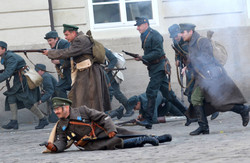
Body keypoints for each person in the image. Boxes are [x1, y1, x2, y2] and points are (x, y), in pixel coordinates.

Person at [179, 23, 249, 135]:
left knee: (220, 103)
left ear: (190, 32)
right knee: (196, 98)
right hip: (202, 78)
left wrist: (191, 61)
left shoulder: (202, 41)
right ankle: (203, 127)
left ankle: (242, 109)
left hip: (213, 77)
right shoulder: (191, 43)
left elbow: (207, 58)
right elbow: (195, 60)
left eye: (183, 32)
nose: (181, 34)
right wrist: (187, 67)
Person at [41, 97, 172, 153]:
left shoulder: (83, 110)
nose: (56, 112)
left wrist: (110, 129)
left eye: (58, 109)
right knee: (115, 143)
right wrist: (54, 147)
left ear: (66, 107)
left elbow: (103, 117)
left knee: (127, 133)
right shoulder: (61, 125)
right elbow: (62, 141)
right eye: (55, 110)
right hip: (92, 143)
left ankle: (157, 138)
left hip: (103, 130)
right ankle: (144, 140)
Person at [134, 17, 188, 129]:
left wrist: (143, 57)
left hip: (160, 67)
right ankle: (189, 114)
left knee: (151, 91)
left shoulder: (155, 35)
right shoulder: (143, 35)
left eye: (139, 25)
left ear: (145, 24)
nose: (137, 28)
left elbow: (158, 53)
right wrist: (142, 58)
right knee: (169, 95)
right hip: (154, 68)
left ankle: (148, 120)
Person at [42, 24, 111, 112]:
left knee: (90, 99)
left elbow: (68, 52)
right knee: (82, 98)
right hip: (86, 72)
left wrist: (50, 53)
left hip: (90, 72)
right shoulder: (80, 39)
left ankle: (94, 120)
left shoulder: (80, 40)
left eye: (67, 35)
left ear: (74, 33)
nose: (65, 38)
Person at [168, 24, 219, 121]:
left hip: (198, 68)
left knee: (195, 92)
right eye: (173, 36)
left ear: (181, 32)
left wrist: (187, 66)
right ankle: (199, 116)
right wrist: (177, 59)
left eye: (176, 35)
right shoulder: (176, 42)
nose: (175, 38)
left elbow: (196, 55)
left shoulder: (190, 40)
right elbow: (177, 52)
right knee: (191, 93)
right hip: (189, 69)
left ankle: (209, 111)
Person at [0, 41, 49, 130]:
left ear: (4, 49)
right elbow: (10, 70)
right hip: (19, 79)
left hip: (24, 81)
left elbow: (8, 73)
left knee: (27, 102)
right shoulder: (6, 56)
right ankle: (14, 122)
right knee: (11, 97)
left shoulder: (10, 57)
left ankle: (43, 119)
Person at [128, 91, 194, 125]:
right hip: (162, 104)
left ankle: (194, 117)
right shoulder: (140, 98)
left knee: (182, 115)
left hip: (167, 105)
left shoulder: (149, 103)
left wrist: (142, 121)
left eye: (134, 107)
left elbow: (154, 120)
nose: (134, 109)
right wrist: (141, 115)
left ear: (138, 103)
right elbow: (143, 108)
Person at [104, 48, 134, 117]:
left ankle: (129, 109)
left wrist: (108, 68)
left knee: (116, 93)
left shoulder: (101, 49)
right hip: (103, 75)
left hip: (111, 75)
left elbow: (114, 59)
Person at [44, 31, 71, 98]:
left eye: (50, 40)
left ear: (56, 39)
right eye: (48, 41)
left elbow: (70, 56)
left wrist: (59, 61)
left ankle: (67, 106)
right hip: (66, 73)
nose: (49, 42)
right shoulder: (56, 45)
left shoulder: (64, 44)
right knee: (59, 88)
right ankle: (65, 106)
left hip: (72, 72)